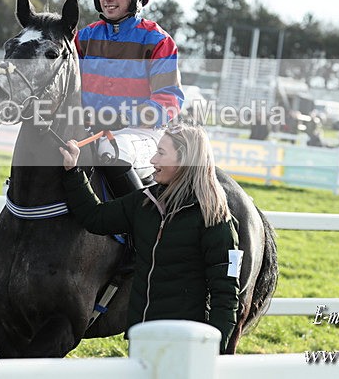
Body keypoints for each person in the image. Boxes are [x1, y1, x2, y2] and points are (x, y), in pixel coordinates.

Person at [59, 123, 240, 353]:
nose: (153, 160)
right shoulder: (144, 201)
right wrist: (73, 172)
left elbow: (226, 296)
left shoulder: (216, 220)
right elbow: (95, 217)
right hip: (142, 337)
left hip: (185, 345)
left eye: (161, 153)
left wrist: (213, 352)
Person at [74, 0, 184, 197]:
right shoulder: (83, 38)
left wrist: (123, 117)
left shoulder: (158, 41)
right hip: (89, 129)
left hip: (140, 133)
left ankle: (141, 222)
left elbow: (169, 100)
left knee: (113, 151)